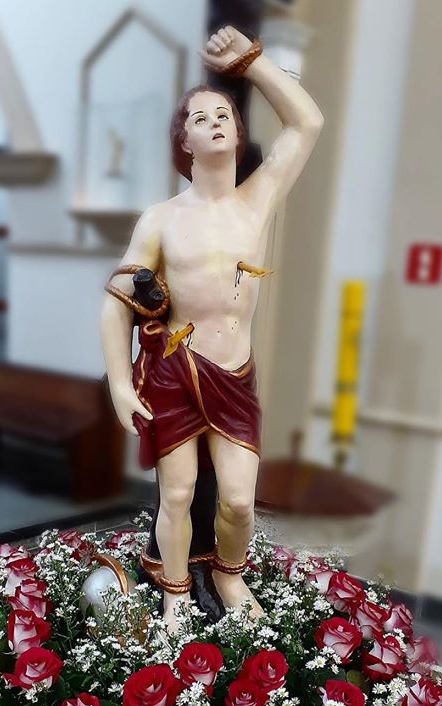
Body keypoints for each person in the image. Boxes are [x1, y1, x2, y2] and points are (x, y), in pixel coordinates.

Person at [100, 25, 323, 629]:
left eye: (224, 114)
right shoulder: (161, 219)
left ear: (239, 132)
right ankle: (175, 589)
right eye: (200, 118)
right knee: (175, 495)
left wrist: (253, 63)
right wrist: (119, 383)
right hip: (175, 371)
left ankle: (228, 574)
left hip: (233, 373)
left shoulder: (257, 199)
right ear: (185, 141)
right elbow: (116, 303)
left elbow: (307, 123)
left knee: (239, 501)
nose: (216, 121)